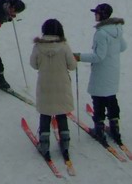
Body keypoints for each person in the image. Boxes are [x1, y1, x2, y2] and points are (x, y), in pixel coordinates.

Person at [75, 3, 127, 146]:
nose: (95, 15)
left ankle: (99, 129)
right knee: (111, 98)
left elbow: (98, 57)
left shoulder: (101, 33)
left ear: (102, 15)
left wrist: (79, 56)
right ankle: (115, 127)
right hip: (113, 70)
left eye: (96, 13)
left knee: (98, 99)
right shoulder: (117, 29)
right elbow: (123, 47)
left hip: (102, 72)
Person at [29, 19, 77, 165]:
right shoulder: (64, 46)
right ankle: (65, 144)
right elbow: (72, 65)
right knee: (61, 113)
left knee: (45, 114)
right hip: (61, 85)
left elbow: (33, 64)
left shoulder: (38, 46)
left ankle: (44, 145)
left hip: (45, 86)